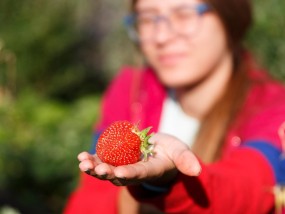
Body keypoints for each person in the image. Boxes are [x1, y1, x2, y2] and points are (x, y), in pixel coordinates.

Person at [64, 0, 285, 213]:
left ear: (230, 15)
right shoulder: (130, 89)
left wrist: (168, 182)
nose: (161, 36)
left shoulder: (275, 107)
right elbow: (89, 200)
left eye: (184, 14)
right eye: (148, 18)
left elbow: (249, 191)